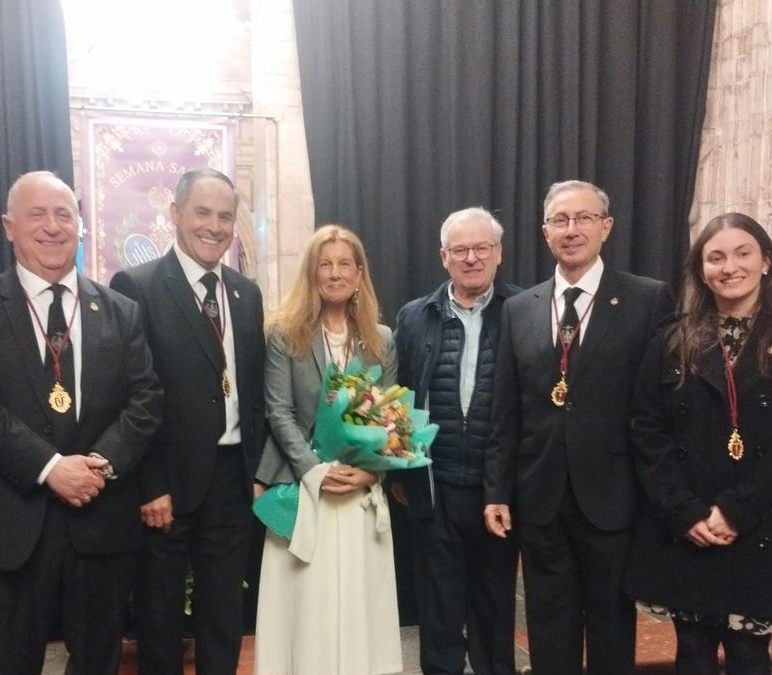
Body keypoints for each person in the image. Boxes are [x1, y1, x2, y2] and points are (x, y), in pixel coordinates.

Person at [0, 170, 164, 674]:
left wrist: (101, 465)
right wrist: (50, 467)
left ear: (81, 226)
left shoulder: (121, 311)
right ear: (8, 226)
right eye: (37, 214)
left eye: (65, 214)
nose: (52, 226)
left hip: (100, 522)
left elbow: (146, 398)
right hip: (10, 524)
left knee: (98, 662)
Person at [626, 212, 772, 675]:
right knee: (693, 650)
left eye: (743, 253)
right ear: (701, 270)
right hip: (689, 521)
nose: (729, 266)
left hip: (762, 520)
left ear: (766, 261)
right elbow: (646, 429)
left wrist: (737, 510)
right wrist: (684, 511)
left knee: (747, 654)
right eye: (715, 257)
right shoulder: (671, 338)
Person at [483, 180, 675, 675]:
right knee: (548, 629)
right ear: (545, 232)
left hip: (614, 497)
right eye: (560, 220)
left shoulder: (647, 299)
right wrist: (496, 490)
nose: (572, 230)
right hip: (540, 496)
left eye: (584, 218)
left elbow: (659, 409)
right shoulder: (520, 308)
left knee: (612, 629)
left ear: (606, 227)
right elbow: (506, 412)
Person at [110, 168, 266, 675]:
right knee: (159, 613)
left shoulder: (245, 292)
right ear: (175, 214)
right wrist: (149, 484)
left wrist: (258, 471)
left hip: (232, 478)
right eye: (202, 212)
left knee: (224, 613)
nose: (215, 226)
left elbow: (254, 390)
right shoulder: (138, 285)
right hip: (167, 484)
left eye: (225, 216)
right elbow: (130, 396)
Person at [253, 225, 401, 675]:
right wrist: (316, 472)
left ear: (359, 274)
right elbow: (278, 412)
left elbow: (389, 419)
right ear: (312, 272)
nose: (334, 273)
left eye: (344, 264)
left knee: (359, 603)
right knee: (305, 607)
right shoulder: (286, 333)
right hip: (303, 490)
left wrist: (373, 473)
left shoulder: (382, 338)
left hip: (358, 492)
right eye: (325, 264)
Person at [392, 207, 521, 675]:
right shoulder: (414, 317)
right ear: (443, 256)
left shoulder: (524, 311)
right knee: (439, 612)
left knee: (494, 610)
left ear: (499, 253)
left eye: (481, 248)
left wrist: (507, 485)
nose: (471, 258)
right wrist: (401, 473)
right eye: (460, 250)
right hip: (435, 486)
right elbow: (399, 400)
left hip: (497, 491)